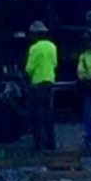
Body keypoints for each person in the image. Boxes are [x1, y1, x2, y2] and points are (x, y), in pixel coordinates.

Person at [22, 21, 58, 151]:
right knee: (48, 114)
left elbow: (29, 68)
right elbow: (54, 63)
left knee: (37, 115)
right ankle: (51, 143)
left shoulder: (34, 48)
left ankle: (39, 144)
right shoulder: (52, 46)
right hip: (49, 82)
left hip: (37, 84)